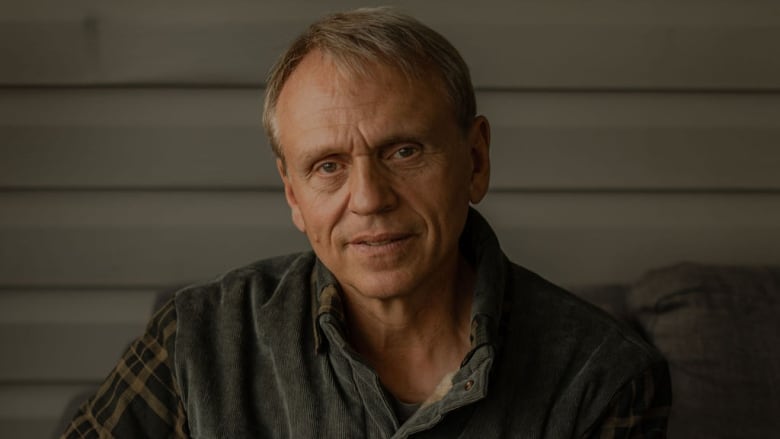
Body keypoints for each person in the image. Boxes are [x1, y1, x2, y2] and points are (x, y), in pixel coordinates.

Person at [62, 7, 670, 438]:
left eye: (404, 151)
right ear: (293, 196)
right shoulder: (196, 342)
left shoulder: (600, 377)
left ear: (476, 160)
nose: (369, 198)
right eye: (327, 165)